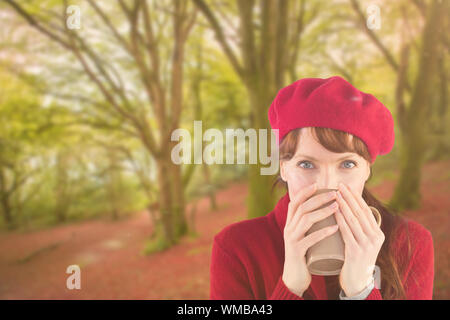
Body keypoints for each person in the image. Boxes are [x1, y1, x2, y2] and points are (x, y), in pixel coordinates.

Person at [209, 76, 434, 300]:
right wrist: (290, 287)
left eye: (347, 164)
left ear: (367, 170)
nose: (327, 184)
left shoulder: (410, 244)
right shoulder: (236, 248)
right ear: (283, 168)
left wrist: (361, 291)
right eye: (306, 164)